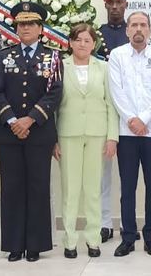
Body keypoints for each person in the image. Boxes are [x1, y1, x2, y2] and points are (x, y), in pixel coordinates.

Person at [0, 2, 63, 262]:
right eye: (22, 24)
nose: (26, 28)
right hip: (10, 132)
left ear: (41, 28)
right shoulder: (3, 55)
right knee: (11, 187)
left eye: (31, 23)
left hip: (39, 132)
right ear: (16, 27)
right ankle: (13, 244)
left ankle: (35, 244)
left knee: (37, 187)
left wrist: (29, 120)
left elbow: (54, 93)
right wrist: (13, 120)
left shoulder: (52, 56)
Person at [53, 23, 119, 258]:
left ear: (94, 44)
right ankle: (70, 240)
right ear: (70, 42)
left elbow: (111, 104)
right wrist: (54, 139)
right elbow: (53, 106)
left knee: (93, 189)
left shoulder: (103, 67)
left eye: (87, 40)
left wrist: (112, 137)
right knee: (70, 190)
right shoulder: (60, 66)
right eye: (78, 39)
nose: (83, 44)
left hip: (97, 134)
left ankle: (93, 239)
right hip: (68, 133)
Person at [109, 11, 151, 257]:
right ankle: (127, 237)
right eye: (134, 24)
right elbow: (116, 91)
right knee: (128, 187)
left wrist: (143, 119)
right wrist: (132, 120)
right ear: (127, 30)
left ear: (150, 30)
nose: (138, 29)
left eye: (143, 25)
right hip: (126, 132)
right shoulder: (117, 56)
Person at [97, 0, 129, 243]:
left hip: (130, 111)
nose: (116, 7)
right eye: (112, 3)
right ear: (106, 6)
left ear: (126, 5)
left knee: (130, 174)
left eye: (120, 3)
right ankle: (105, 223)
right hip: (105, 109)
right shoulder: (98, 35)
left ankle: (129, 223)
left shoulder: (134, 33)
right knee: (103, 173)